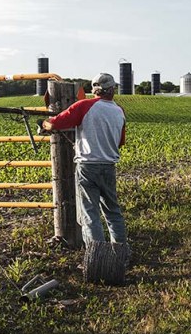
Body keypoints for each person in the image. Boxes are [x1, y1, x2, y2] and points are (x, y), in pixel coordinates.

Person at [41, 73, 128, 253]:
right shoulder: (119, 111)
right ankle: (121, 253)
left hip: (88, 167)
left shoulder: (84, 106)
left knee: (90, 214)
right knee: (113, 212)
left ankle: (98, 257)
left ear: (94, 90)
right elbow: (120, 141)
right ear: (112, 90)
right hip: (109, 166)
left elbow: (56, 123)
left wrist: (44, 123)